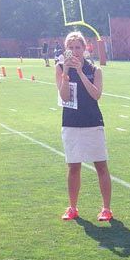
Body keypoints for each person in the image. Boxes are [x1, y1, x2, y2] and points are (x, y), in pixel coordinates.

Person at [55, 31, 113, 222]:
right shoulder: (61, 68)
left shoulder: (94, 70)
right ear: (66, 50)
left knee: (101, 166)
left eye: (77, 47)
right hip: (71, 123)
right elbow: (64, 96)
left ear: (85, 48)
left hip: (92, 122)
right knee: (73, 167)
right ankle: (72, 207)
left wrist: (80, 71)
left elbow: (96, 95)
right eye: (70, 48)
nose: (74, 51)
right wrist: (66, 74)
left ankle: (106, 208)